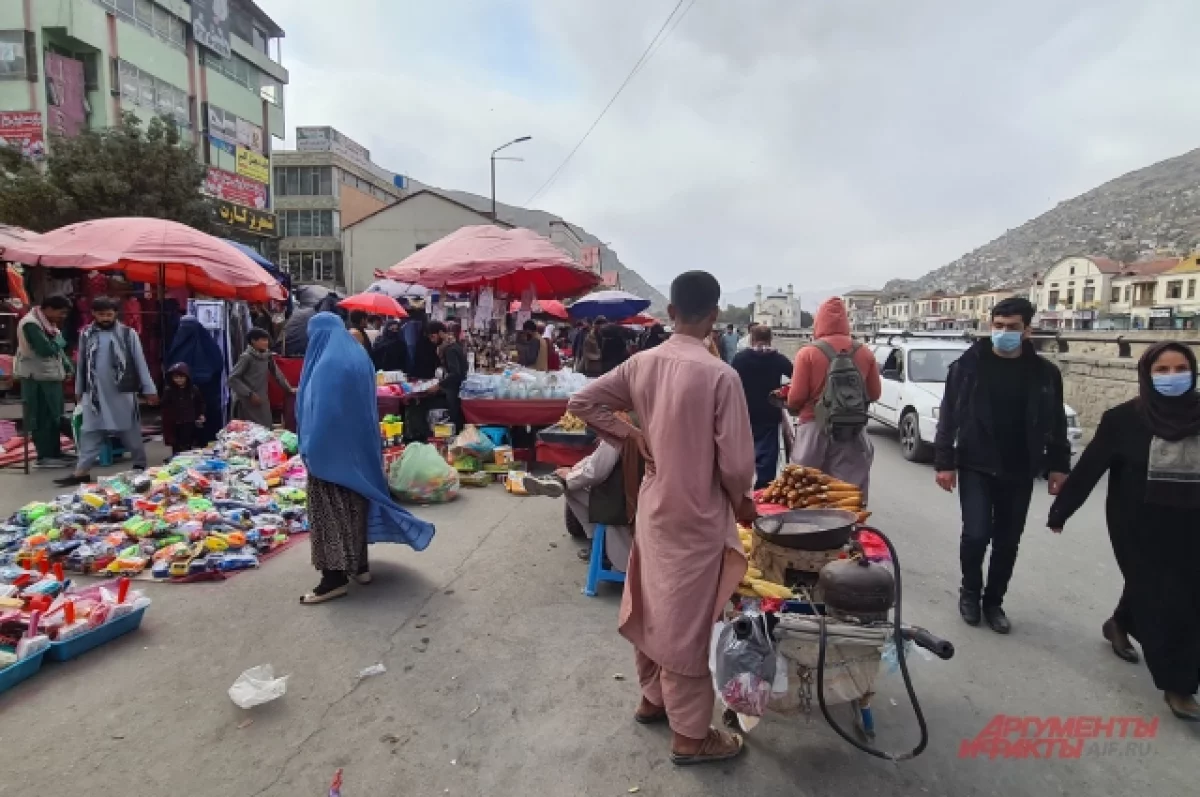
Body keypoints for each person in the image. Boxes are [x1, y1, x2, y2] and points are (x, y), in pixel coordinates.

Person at [569, 270, 755, 766]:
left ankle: (653, 698)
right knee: (689, 624)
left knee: (653, 606)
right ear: (714, 317)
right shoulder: (721, 375)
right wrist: (745, 502)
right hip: (697, 514)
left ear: (670, 313)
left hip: (653, 509)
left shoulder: (640, 364)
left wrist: (629, 434)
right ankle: (690, 735)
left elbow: (582, 402)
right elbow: (737, 465)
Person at [1046, 343, 1200, 722]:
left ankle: (1119, 622)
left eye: (1180, 367)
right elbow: (1091, 467)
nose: (1171, 376)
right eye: (1161, 369)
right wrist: (1061, 510)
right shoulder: (1124, 419)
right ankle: (1178, 685)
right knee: (1162, 598)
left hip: (1191, 524)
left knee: (1186, 594)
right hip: (1137, 525)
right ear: (1147, 374)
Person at [933, 297, 1069, 634]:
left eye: (1012, 327)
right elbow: (948, 416)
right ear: (990, 325)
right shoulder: (967, 367)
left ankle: (994, 601)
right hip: (976, 464)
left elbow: (1055, 422)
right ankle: (969, 592)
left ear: (1027, 331)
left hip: (1020, 467)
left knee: (1008, 541)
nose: (1003, 333)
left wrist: (1058, 466)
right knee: (976, 534)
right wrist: (944, 463)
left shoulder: (1045, 374)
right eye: (998, 326)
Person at [297, 312, 436, 603]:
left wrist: (310, 449)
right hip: (359, 450)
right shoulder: (357, 356)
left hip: (329, 454)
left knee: (329, 514)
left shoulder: (326, 364)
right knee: (355, 507)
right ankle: (360, 567)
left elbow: (323, 414)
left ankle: (333, 578)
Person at [55, 296, 158, 486]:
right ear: (93, 314)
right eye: (101, 314)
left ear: (115, 314)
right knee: (90, 431)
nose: (105, 318)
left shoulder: (128, 334)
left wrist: (149, 389)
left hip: (121, 392)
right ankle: (81, 471)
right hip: (94, 394)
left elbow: (140, 363)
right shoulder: (86, 334)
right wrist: (79, 389)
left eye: (109, 314)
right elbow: (82, 365)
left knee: (130, 430)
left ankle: (140, 466)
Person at [523, 412, 642, 571]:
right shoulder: (642, 420)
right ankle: (556, 480)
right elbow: (596, 460)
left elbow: (596, 471)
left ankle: (598, 546)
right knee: (574, 480)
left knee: (573, 486)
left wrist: (571, 475)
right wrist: (575, 469)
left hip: (622, 502)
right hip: (637, 492)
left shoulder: (619, 427)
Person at [787, 297, 882, 494]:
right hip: (851, 430)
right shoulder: (864, 352)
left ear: (819, 321)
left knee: (805, 491)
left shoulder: (808, 353)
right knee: (847, 494)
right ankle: (847, 525)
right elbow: (874, 393)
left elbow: (796, 398)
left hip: (813, 426)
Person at [732, 325, 795, 489]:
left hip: (745, 413)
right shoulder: (778, 359)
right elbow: (796, 377)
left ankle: (744, 488)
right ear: (770, 339)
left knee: (744, 452)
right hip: (770, 412)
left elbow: (730, 383)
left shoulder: (740, 359)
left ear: (752, 338)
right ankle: (763, 492)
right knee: (767, 456)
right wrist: (783, 391)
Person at [15, 295, 73, 469]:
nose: (62, 316)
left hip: (50, 376)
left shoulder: (48, 323)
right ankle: (44, 456)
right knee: (41, 416)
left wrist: (67, 365)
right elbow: (45, 349)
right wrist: (60, 342)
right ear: (48, 308)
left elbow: (57, 350)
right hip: (36, 378)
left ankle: (55, 452)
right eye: (60, 312)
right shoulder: (31, 323)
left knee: (55, 416)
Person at [165, 315, 226, 446]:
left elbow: (217, 365)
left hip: (204, 391)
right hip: (183, 391)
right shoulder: (182, 343)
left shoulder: (201, 345)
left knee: (204, 418)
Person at [229, 328, 295, 429]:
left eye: (267, 340)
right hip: (248, 401)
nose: (266, 343)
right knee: (250, 430)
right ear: (253, 341)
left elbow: (277, 374)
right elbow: (233, 378)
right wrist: (249, 394)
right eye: (263, 340)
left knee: (265, 428)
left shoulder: (267, 356)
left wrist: (289, 388)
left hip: (262, 399)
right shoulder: (247, 357)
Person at [160, 362, 206, 457]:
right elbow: (165, 407)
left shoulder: (193, 390)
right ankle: (176, 459)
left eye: (181, 377)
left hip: (189, 421)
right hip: (174, 423)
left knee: (188, 444)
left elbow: (200, 403)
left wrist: (201, 414)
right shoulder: (169, 391)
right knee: (176, 444)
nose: (179, 380)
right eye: (176, 377)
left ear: (187, 377)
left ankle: (187, 460)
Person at [430, 321, 468, 430]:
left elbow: (455, 373)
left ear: (441, 333)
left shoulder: (450, 349)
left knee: (455, 420)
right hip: (458, 388)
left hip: (454, 389)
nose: (432, 340)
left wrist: (438, 385)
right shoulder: (454, 344)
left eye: (433, 336)